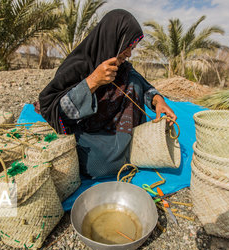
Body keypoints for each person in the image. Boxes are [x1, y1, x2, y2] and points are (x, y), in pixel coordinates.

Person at [38, 9, 176, 178]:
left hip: (121, 131)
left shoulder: (122, 68)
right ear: (112, 39)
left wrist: (158, 101)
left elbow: (145, 86)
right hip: (90, 135)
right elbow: (53, 108)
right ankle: (129, 150)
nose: (129, 53)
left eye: (132, 48)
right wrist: (93, 81)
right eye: (127, 46)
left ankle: (129, 145)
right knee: (97, 164)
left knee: (133, 80)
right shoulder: (78, 64)